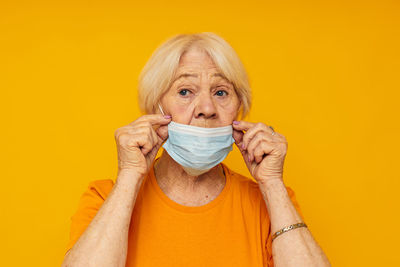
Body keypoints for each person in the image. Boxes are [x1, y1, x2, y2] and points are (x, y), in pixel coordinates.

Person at [61, 32, 331, 267]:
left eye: (221, 92)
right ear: (157, 109)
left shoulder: (271, 204)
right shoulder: (104, 198)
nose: (207, 109)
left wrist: (272, 184)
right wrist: (130, 175)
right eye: (185, 91)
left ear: (239, 108)